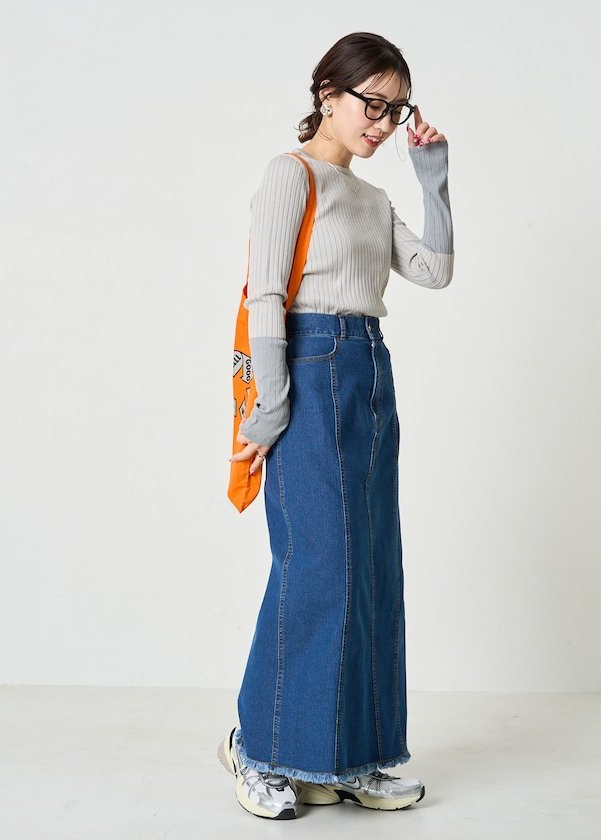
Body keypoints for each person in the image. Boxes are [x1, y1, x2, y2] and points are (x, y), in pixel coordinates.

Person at [219, 31, 455, 819]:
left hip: (369, 368)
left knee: (372, 568)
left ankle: (353, 755)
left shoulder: (373, 199)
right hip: (308, 364)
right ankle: (258, 748)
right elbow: (265, 293)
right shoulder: (289, 176)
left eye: (397, 110)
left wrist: (434, 178)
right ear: (328, 93)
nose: (383, 124)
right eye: (372, 104)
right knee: (317, 565)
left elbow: (434, 271)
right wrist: (272, 402)